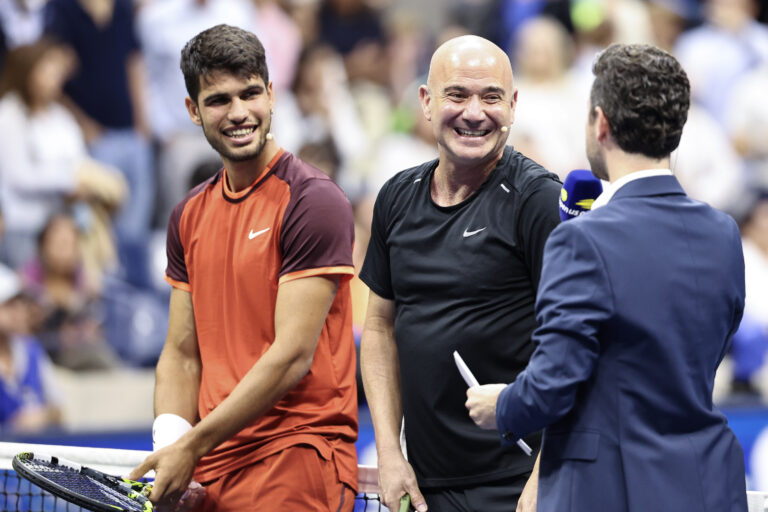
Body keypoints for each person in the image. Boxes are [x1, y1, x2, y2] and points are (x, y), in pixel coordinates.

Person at [466, 43, 748, 512]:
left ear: (600, 124)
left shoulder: (582, 240)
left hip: (610, 491)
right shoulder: (723, 234)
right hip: (708, 486)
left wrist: (503, 406)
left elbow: (554, 383)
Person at [128, 24, 359, 511]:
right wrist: (171, 442)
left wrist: (190, 446)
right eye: (218, 100)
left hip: (295, 458)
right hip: (211, 468)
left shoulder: (314, 202)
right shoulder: (187, 214)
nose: (238, 113)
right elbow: (181, 353)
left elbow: (292, 356)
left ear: (272, 95)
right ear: (193, 110)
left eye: (251, 93)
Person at [359, 35, 561, 512]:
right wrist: (390, 453)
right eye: (457, 95)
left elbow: (575, 346)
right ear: (426, 103)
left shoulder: (537, 201)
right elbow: (378, 328)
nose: (475, 113)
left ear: (512, 106)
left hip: (515, 485)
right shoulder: (395, 197)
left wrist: (544, 478)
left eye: (491, 97)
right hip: (424, 483)